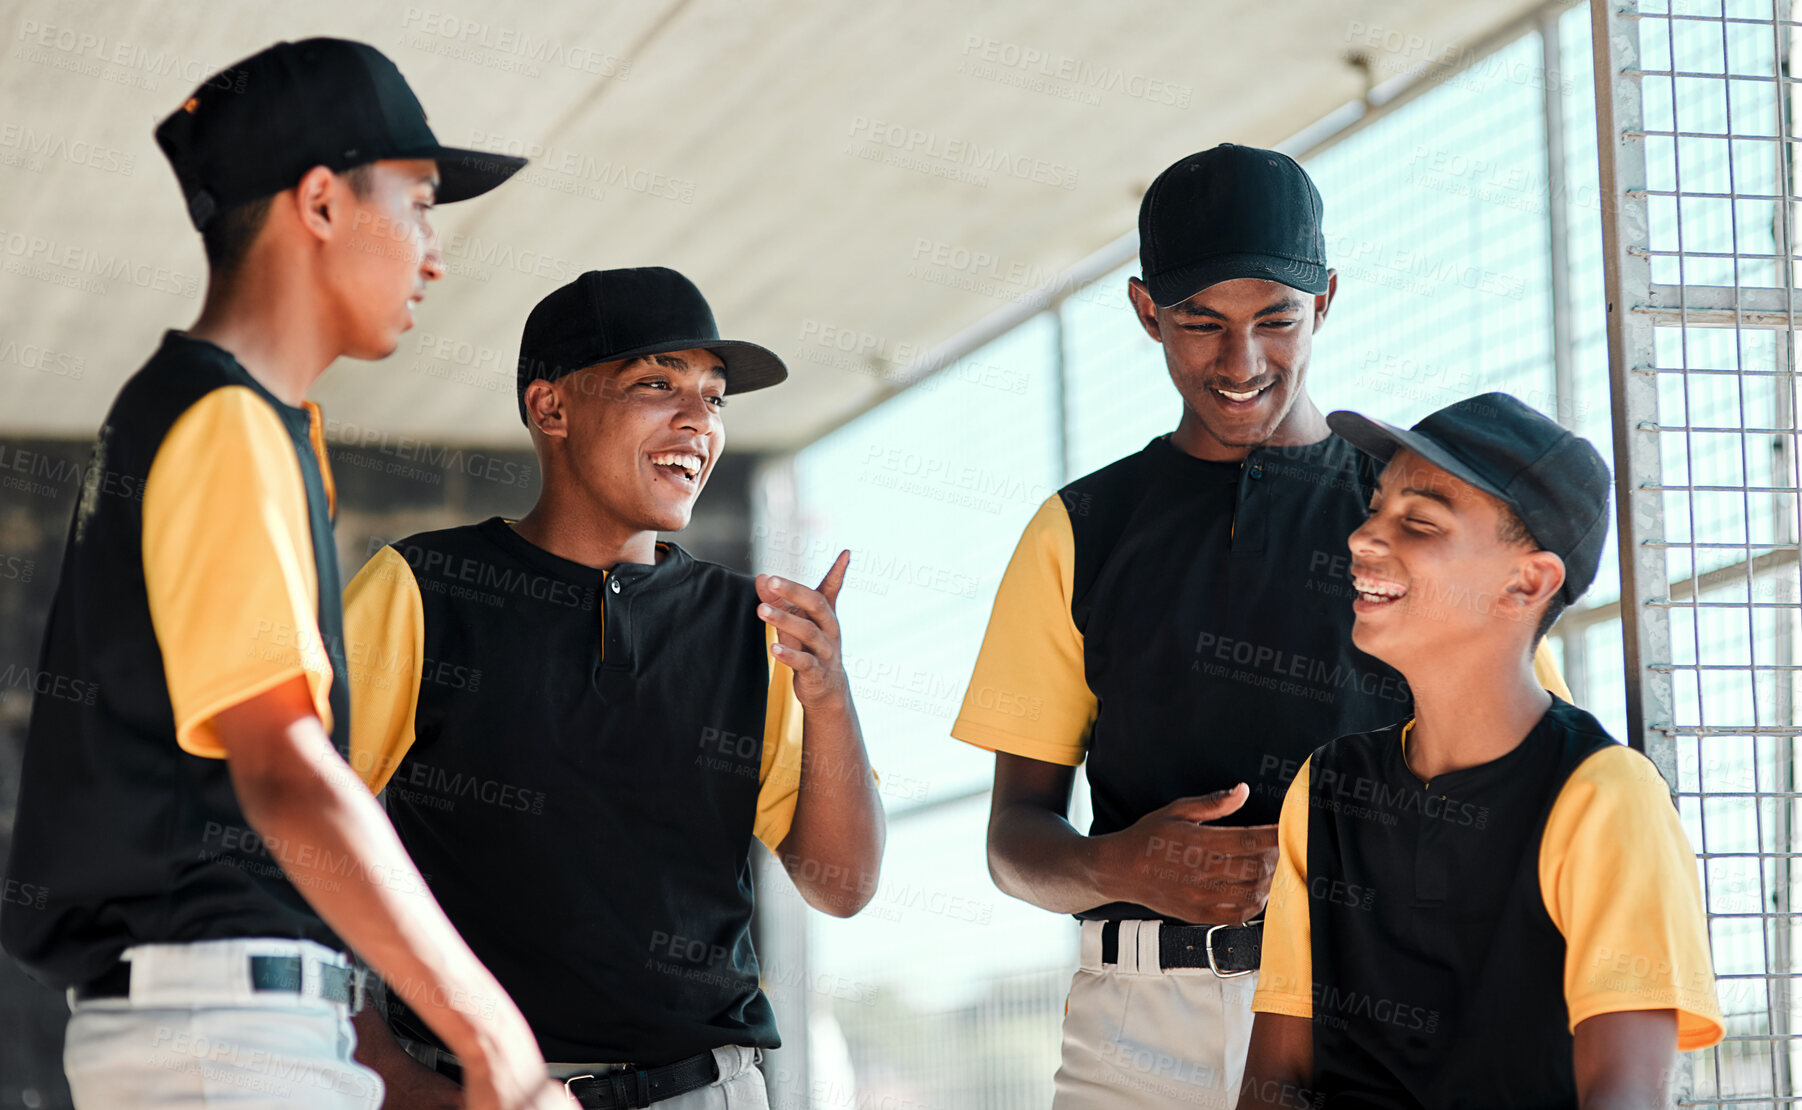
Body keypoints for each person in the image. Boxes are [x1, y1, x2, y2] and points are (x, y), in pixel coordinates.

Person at [0, 38, 568, 1109]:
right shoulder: (223, 423)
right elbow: (285, 769)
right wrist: (497, 1040)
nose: (435, 255)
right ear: (318, 202)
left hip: (229, 1029)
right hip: (225, 1037)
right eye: (420, 202)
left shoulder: (205, 416)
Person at [951, 144, 1569, 1109]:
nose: (1240, 362)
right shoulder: (1079, 529)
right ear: (1147, 310)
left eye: (1275, 320)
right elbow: (1012, 838)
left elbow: (1542, 787)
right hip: (1134, 1029)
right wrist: (1120, 865)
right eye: (1200, 322)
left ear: (1324, 301)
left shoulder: (1432, 519)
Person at [338, 266, 886, 1108]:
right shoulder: (423, 588)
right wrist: (389, 1068)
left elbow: (841, 886)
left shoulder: (752, 626)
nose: (698, 420)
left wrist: (831, 698)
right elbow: (291, 841)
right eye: (657, 383)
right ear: (550, 407)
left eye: (714, 396)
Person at [1238, 392, 1723, 1108]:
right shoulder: (1327, 787)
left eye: (1419, 523)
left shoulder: (1601, 793)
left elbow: (1624, 1094)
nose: (1364, 538)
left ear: (1527, 583)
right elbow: (1276, 1083)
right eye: (1376, 509)